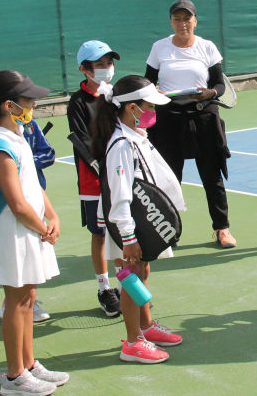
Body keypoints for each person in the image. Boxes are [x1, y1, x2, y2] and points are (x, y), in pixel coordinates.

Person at [0, 71, 69, 394]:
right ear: (8, 105)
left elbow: (33, 185)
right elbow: (16, 202)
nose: (34, 104)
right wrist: (42, 227)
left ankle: (29, 364)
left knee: (28, 298)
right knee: (16, 301)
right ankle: (13, 377)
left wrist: (52, 215)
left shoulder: (18, 134)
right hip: (13, 231)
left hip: (30, 229)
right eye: (28, 100)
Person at [90, 75, 185, 364]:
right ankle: (133, 343)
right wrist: (129, 238)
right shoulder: (121, 145)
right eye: (150, 106)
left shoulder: (134, 136)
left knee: (141, 273)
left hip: (140, 220)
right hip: (127, 225)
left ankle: (146, 326)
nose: (154, 112)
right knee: (130, 280)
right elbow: (119, 196)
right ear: (132, 108)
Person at [145, 0, 236, 248]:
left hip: (203, 117)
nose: (182, 23)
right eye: (177, 18)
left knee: (212, 176)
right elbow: (147, 82)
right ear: (171, 21)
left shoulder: (207, 48)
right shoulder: (159, 48)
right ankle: (167, 232)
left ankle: (222, 229)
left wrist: (208, 94)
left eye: (187, 18)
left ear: (195, 21)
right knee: (169, 178)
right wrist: (156, 91)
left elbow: (219, 85)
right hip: (168, 120)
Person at [67, 40, 122, 316]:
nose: (106, 69)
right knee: (99, 234)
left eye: (109, 63)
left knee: (123, 230)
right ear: (84, 69)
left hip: (119, 176)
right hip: (94, 182)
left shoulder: (115, 94)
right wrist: (103, 167)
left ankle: (126, 286)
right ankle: (104, 288)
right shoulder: (77, 102)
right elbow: (82, 140)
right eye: (100, 64)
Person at [0, 119, 55, 323]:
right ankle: (10, 302)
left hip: (36, 208)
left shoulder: (29, 127)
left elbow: (48, 154)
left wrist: (29, 161)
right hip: (13, 218)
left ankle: (29, 301)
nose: (32, 105)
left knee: (31, 282)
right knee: (19, 281)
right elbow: (17, 205)